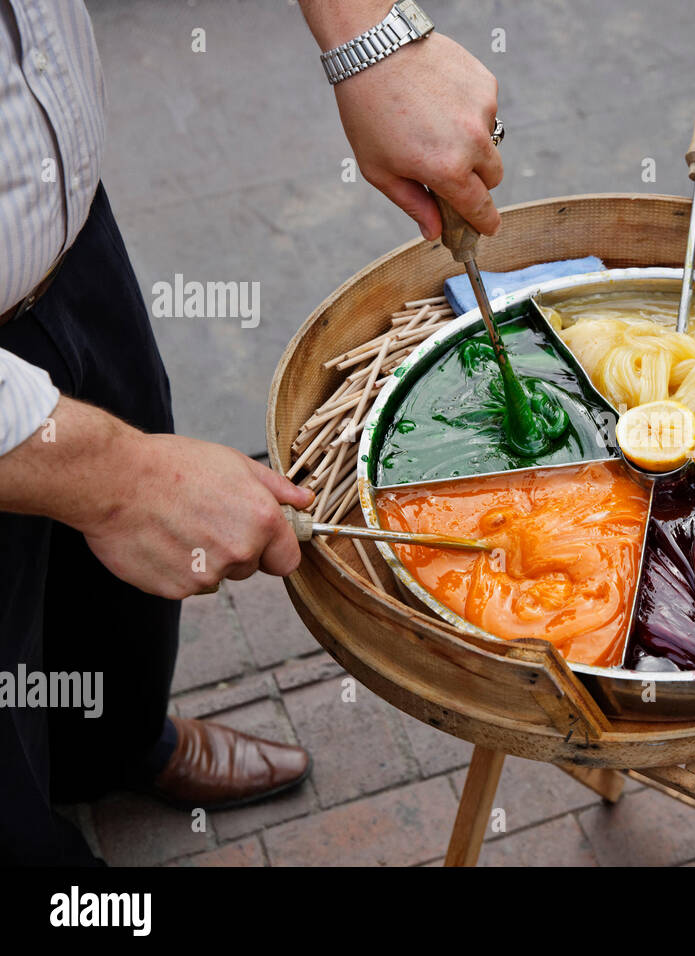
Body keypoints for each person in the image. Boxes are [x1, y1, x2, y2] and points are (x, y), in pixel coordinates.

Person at [0, 0, 500, 865]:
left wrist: (365, 34)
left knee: (115, 594)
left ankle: (113, 748)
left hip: (62, 235)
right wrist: (115, 480)